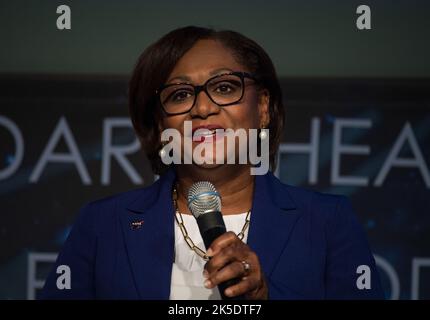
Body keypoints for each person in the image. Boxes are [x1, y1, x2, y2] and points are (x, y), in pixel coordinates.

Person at [41, 26, 384, 300]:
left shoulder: (327, 222)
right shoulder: (103, 224)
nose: (202, 108)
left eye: (223, 87)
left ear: (262, 107)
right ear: (161, 125)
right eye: (179, 94)